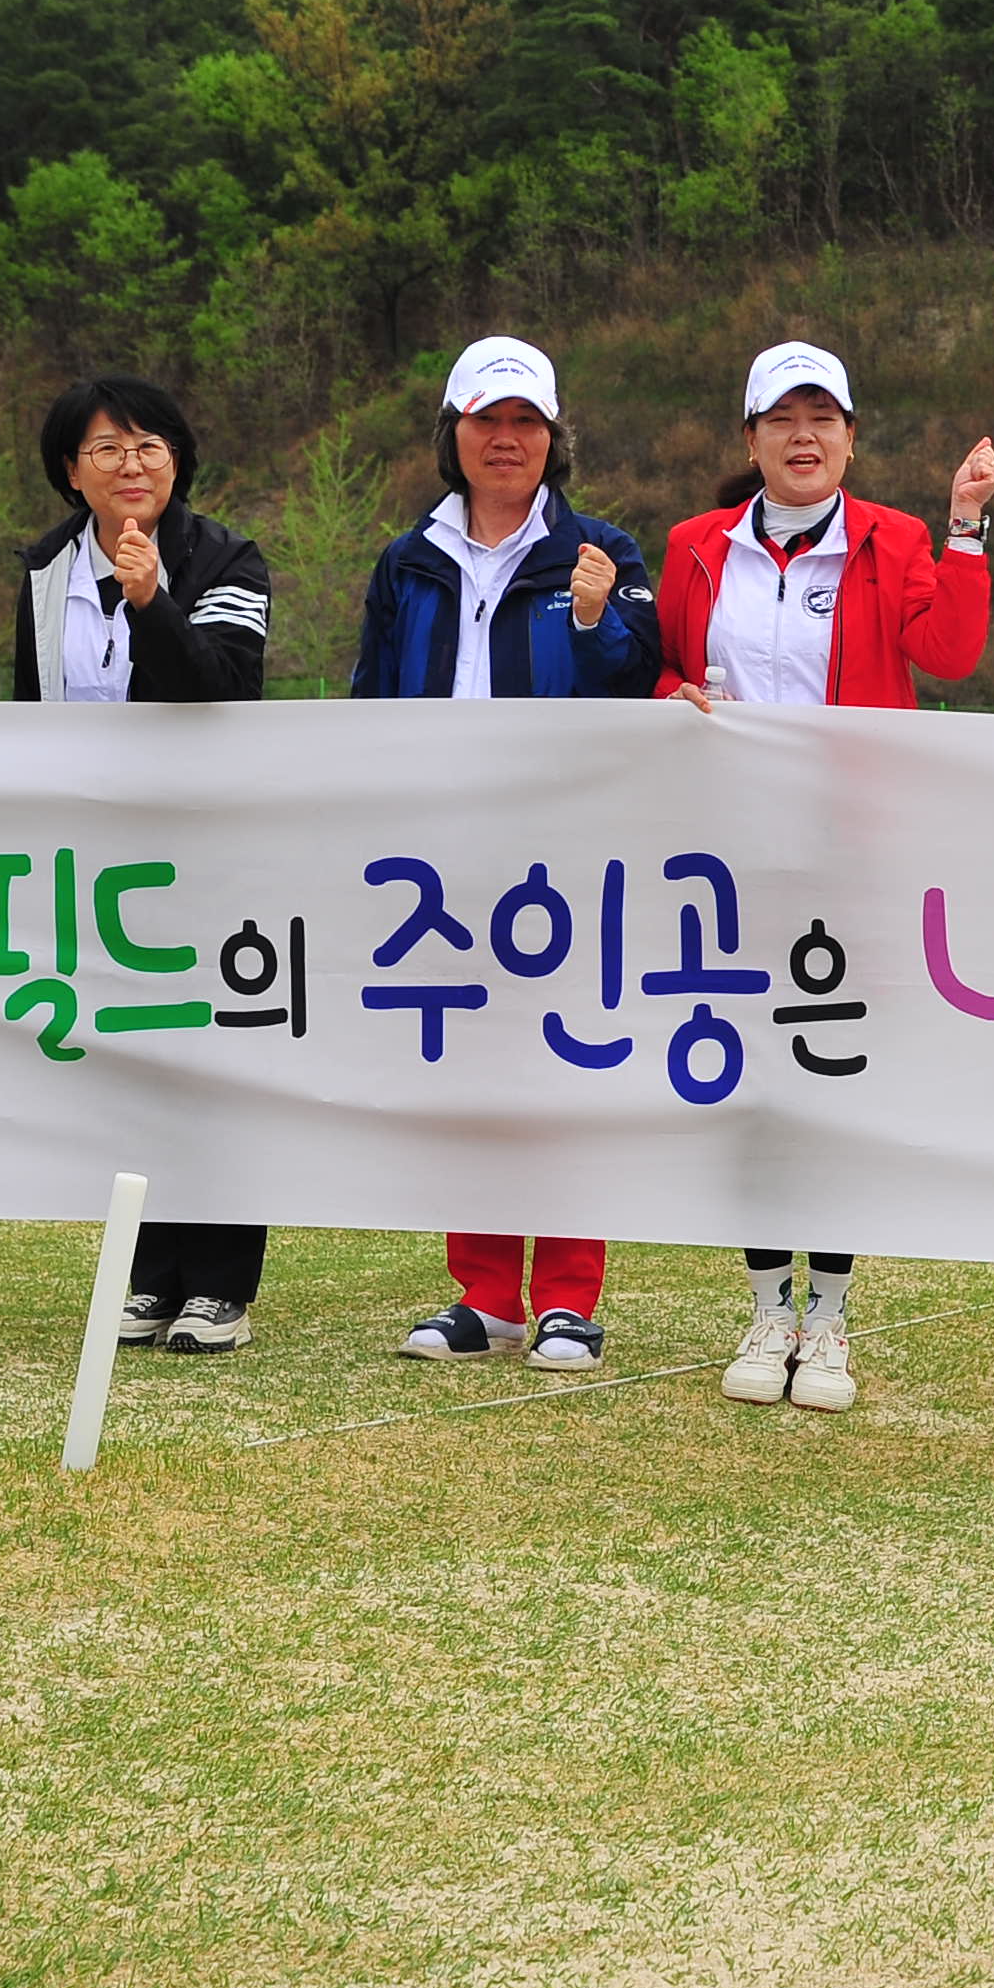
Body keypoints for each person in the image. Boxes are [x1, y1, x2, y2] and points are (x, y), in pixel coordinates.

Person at [659, 340, 994, 1412]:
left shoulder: (892, 539)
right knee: (754, 1082)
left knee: (834, 1068)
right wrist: (674, 692)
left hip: (852, 853)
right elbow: (666, 665)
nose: (802, 436)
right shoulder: (694, 545)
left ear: (850, 439)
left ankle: (832, 1315)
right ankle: (769, 1305)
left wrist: (964, 526)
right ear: (752, 437)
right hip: (731, 855)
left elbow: (949, 653)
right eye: (782, 419)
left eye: (822, 419)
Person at [359, 336, 665, 1376]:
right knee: (471, 1071)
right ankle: (484, 1295)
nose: (506, 438)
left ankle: (569, 1299)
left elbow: (636, 687)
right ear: (453, 432)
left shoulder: (602, 551)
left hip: (566, 853)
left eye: (526, 421)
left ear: (552, 436)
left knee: (571, 1064)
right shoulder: (407, 558)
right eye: (486, 419)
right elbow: (372, 700)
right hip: (441, 858)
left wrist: (593, 617)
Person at [17, 373, 280, 1354]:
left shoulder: (227, 559)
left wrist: (150, 602)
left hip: (208, 850)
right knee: (129, 1062)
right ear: (70, 471)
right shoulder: (43, 569)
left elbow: (224, 692)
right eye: (107, 449)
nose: (131, 465)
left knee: (213, 1064)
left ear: (177, 462)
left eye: (150, 447)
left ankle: (221, 1284)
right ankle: (151, 1274)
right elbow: (32, 708)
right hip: (98, 857)